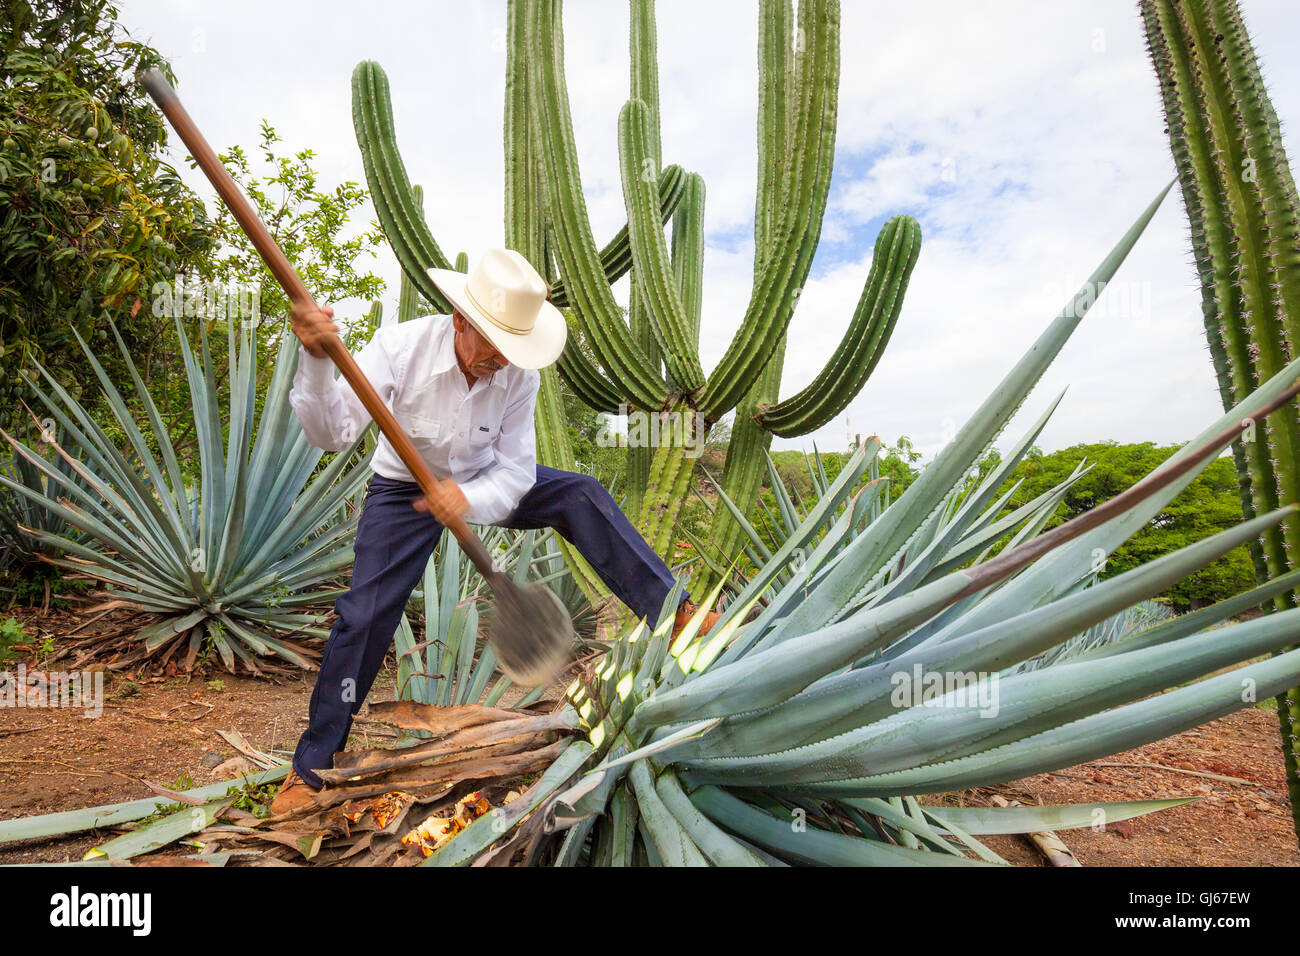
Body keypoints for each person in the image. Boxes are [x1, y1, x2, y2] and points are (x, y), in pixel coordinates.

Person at [270, 247, 718, 813]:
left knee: (579, 494)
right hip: (402, 492)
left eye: (513, 348)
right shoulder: (399, 349)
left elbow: (514, 472)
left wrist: (465, 496)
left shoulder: (516, 376)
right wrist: (314, 358)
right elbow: (331, 432)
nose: (502, 360)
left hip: (480, 481)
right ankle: (312, 768)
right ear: (460, 319)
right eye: (494, 344)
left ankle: (676, 614)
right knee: (364, 616)